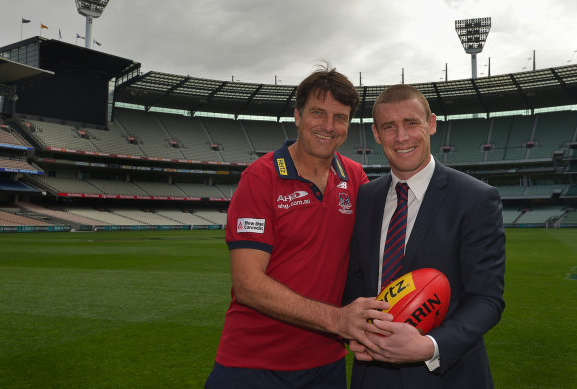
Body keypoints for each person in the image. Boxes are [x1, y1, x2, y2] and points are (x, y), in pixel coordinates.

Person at [206, 65, 392, 389]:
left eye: (340, 117)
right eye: (318, 113)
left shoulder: (356, 178)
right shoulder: (260, 178)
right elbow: (248, 284)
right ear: (297, 115)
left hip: (326, 364)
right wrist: (338, 319)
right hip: (252, 364)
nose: (328, 126)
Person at [342, 84, 506, 389]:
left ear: (430, 124)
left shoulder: (475, 198)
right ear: (376, 134)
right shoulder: (366, 197)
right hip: (372, 373)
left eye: (411, 123)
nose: (401, 137)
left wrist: (430, 345)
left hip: (447, 376)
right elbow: (357, 278)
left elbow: (487, 299)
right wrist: (357, 326)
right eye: (389, 126)